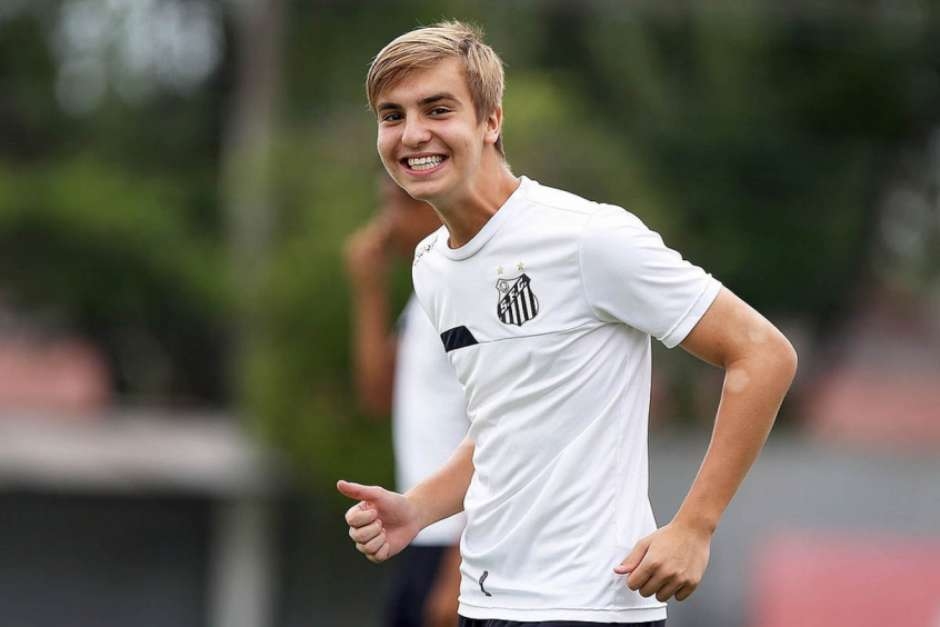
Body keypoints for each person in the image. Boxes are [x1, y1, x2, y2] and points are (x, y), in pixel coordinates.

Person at [338, 20, 798, 627]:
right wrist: (418, 508)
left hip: (590, 607)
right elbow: (503, 423)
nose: (412, 133)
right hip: (486, 604)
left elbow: (763, 354)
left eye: (438, 109)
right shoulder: (432, 267)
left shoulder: (589, 237)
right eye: (392, 115)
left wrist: (694, 526)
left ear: (491, 121)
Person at [344, 175, 469, 627]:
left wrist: (458, 572)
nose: (387, 223)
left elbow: (502, 430)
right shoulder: (425, 298)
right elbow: (377, 394)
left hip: (457, 544)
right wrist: (370, 289)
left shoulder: (466, 294)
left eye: (400, 206)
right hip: (420, 534)